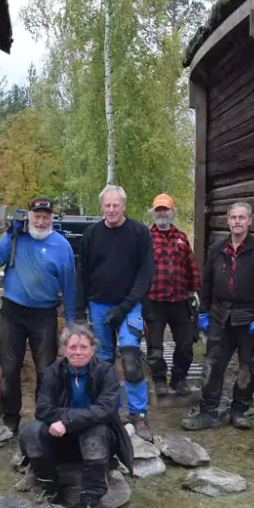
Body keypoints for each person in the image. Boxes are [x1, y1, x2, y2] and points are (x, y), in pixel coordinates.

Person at [19, 322, 135, 508]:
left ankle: (90, 504)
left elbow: (105, 409)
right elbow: (43, 408)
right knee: (31, 434)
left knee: (94, 435)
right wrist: (64, 422)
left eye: (83, 347)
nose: (78, 352)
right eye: (72, 347)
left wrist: (68, 421)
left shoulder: (106, 371)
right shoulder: (53, 371)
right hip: (61, 438)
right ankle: (49, 488)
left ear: (93, 349)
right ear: (64, 350)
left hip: (99, 437)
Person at [0, 197, 76, 435]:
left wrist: (71, 323)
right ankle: (11, 418)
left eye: (45, 217)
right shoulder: (14, 238)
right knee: (10, 368)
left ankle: (43, 418)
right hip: (13, 313)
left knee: (46, 369)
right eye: (37, 216)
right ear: (29, 216)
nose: (41, 222)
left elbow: (70, 287)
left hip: (44, 315)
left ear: (52, 218)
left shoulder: (62, 246)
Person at [182, 201, 254, 431]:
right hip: (220, 316)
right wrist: (203, 312)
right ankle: (208, 412)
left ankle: (239, 411)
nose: (237, 222)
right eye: (233, 217)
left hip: (248, 318)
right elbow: (207, 283)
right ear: (228, 221)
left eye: (242, 217)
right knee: (213, 364)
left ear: (250, 221)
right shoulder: (217, 249)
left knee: (247, 367)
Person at [75, 185, 155, 441]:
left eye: (116, 205)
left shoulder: (139, 232)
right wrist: (79, 312)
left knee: (130, 356)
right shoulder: (91, 234)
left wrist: (124, 307)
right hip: (99, 305)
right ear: (102, 207)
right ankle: (110, 410)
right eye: (107, 205)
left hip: (130, 305)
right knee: (103, 361)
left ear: (124, 206)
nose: (111, 210)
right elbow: (83, 273)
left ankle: (138, 413)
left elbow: (145, 275)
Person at [144, 193, 200, 397]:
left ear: (172, 211)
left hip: (180, 299)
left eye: (165, 209)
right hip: (154, 301)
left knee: (186, 344)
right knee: (155, 346)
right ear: (153, 213)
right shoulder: (146, 238)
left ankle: (179, 378)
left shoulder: (182, 238)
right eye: (158, 210)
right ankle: (159, 379)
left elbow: (190, 266)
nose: (162, 213)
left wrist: (195, 291)